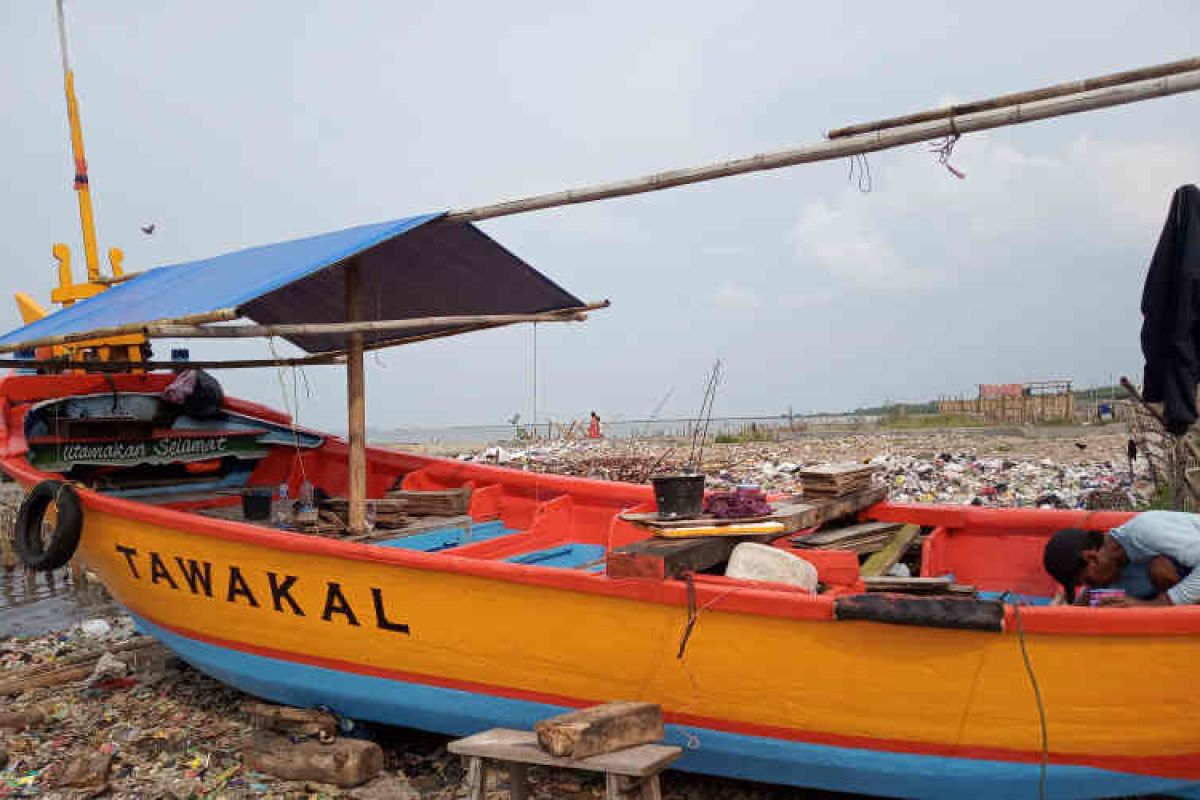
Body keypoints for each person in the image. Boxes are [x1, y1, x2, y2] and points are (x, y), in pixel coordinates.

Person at [1043, 511, 1200, 606]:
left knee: (1161, 568)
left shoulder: (1146, 531)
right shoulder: (1109, 575)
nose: (1092, 586)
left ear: (1092, 558)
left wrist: (1156, 605)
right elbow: (1083, 602)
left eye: (1089, 581)